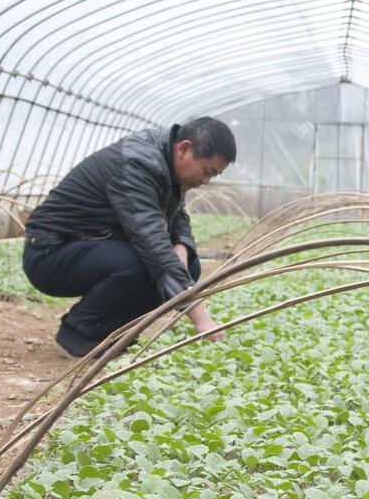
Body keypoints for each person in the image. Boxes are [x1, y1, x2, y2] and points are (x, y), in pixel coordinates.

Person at [22, 117, 236, 357]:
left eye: (214, 175)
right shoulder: (137, 165)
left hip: (88, 245)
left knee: (189, 267)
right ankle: (78, 333)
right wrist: (199, 316)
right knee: (140, 263)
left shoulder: (167, 163)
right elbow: (150, 239)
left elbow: (177, 214)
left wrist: (182, 247)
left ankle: (111, 333)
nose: (206, 181)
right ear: (184, 149)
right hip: (50, 253)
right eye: (207, 171)